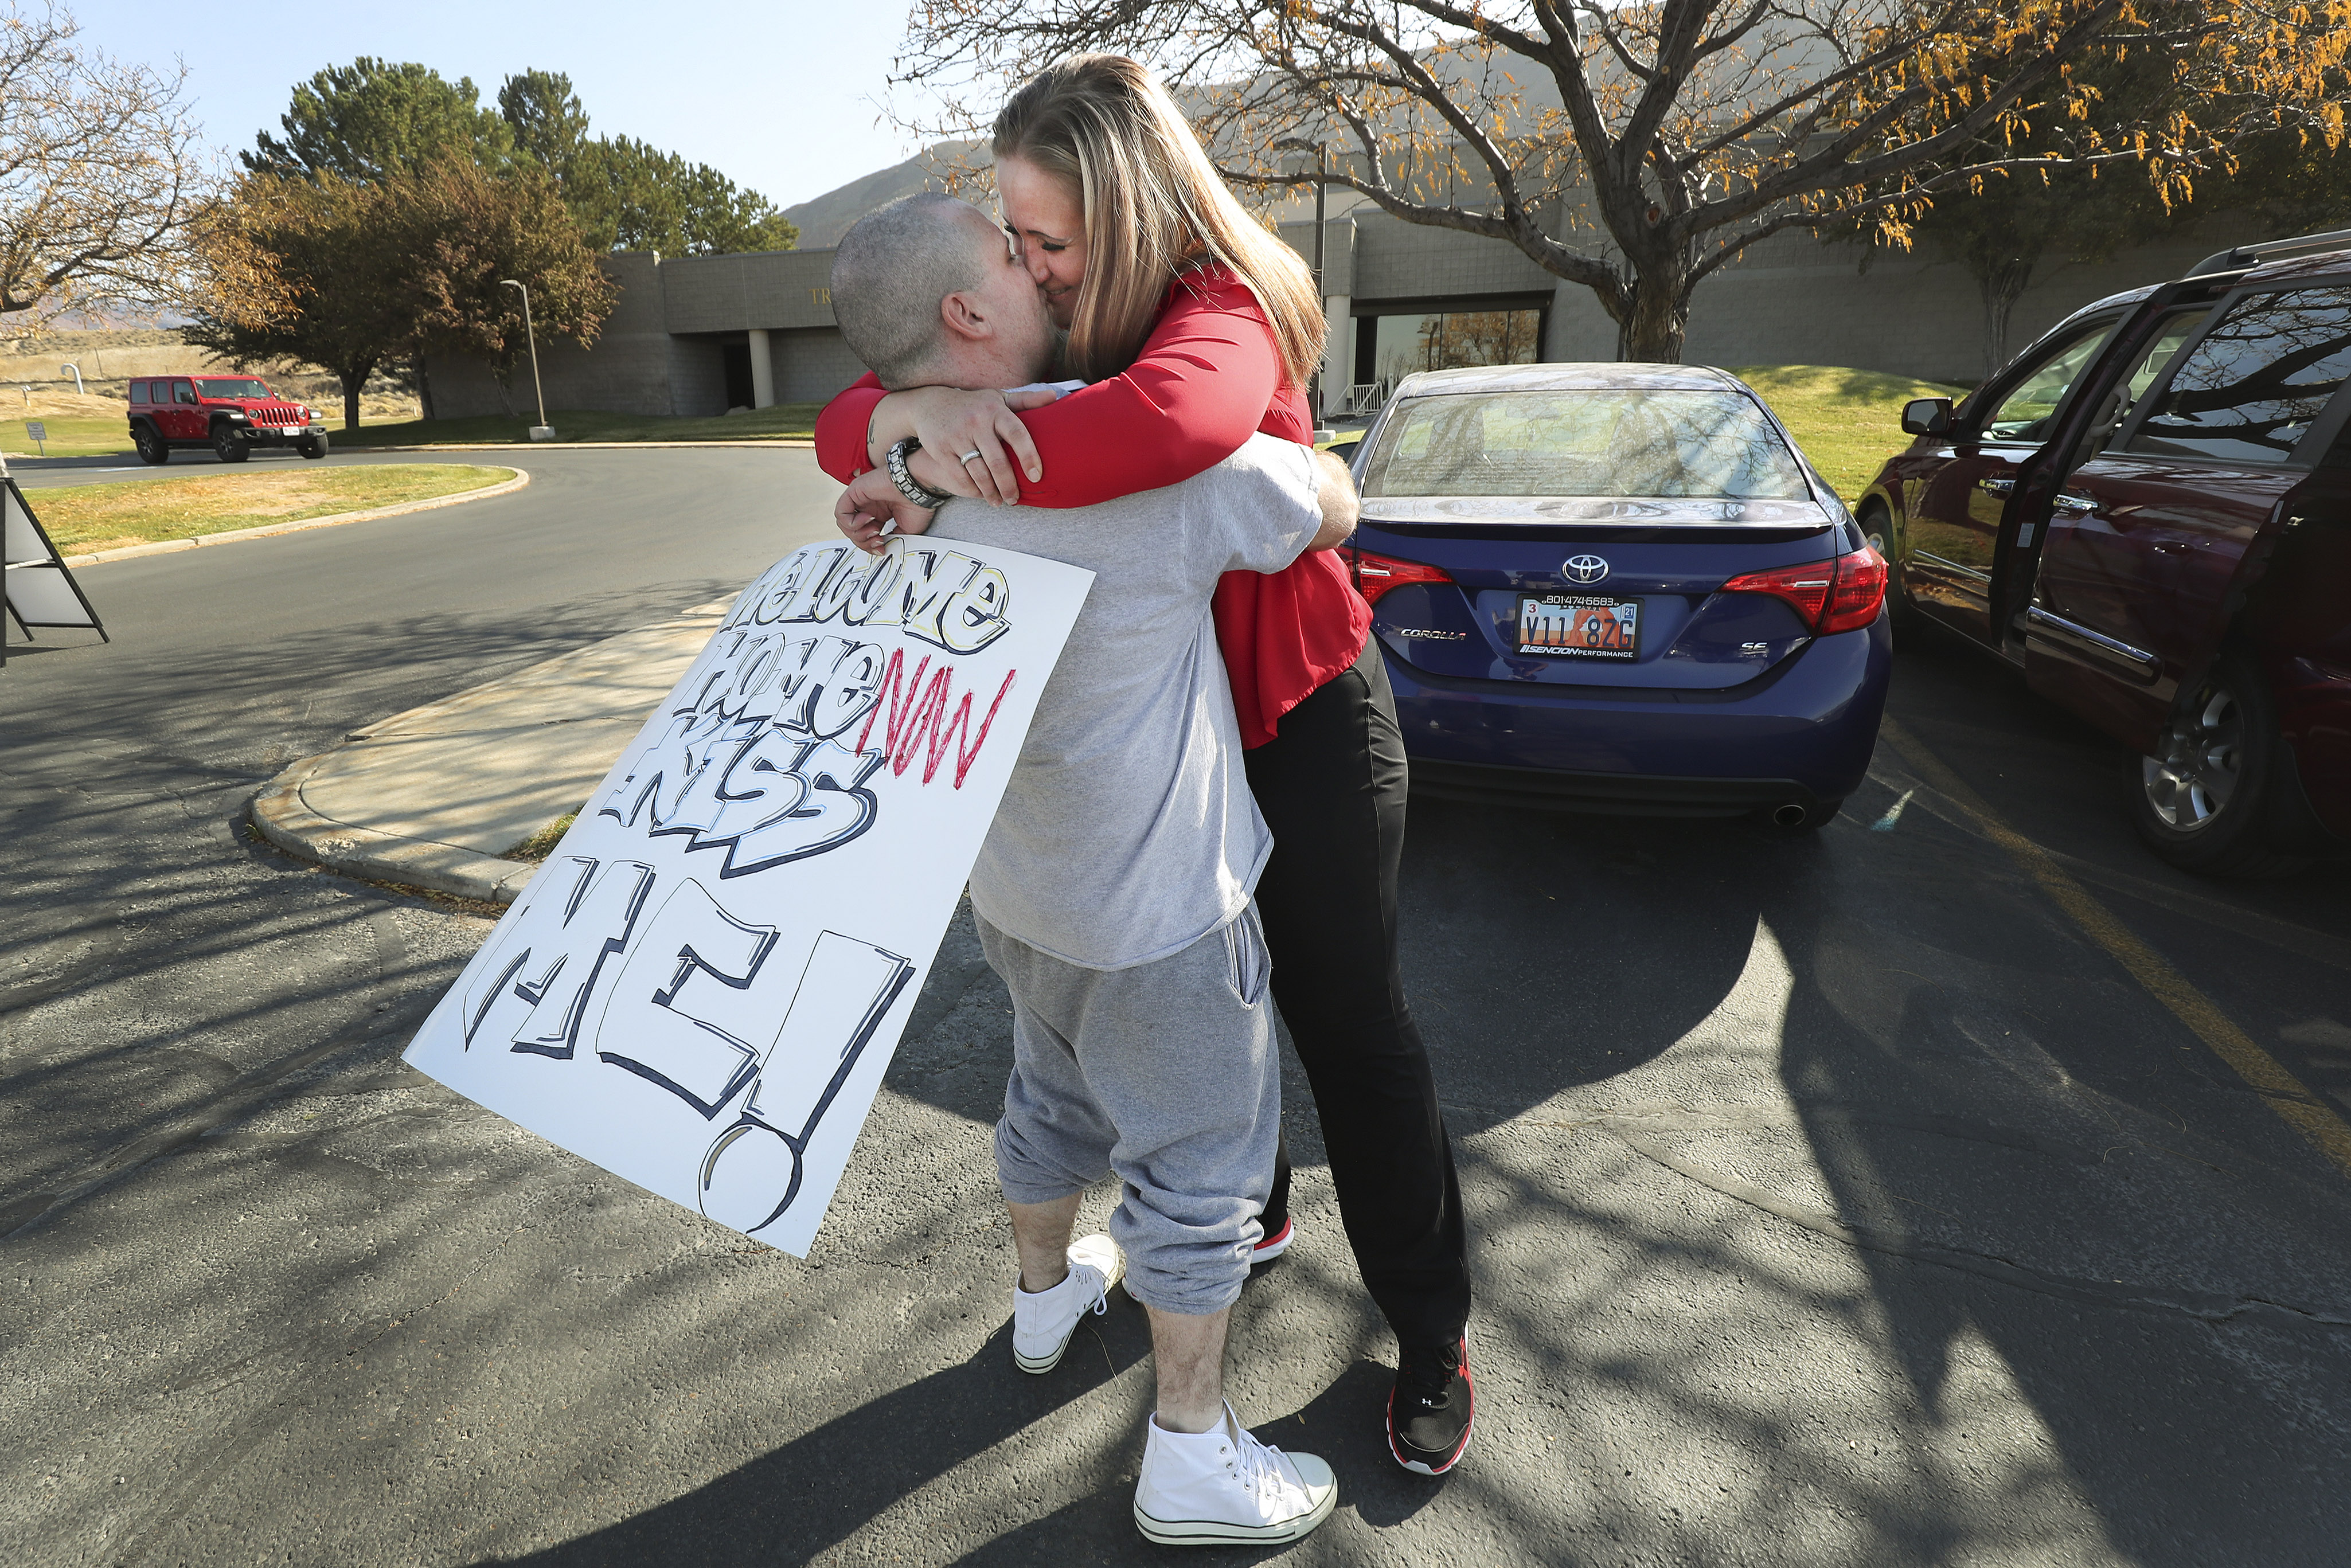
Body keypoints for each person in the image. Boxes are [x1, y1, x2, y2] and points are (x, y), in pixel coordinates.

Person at [813, 54, 1475, 1475]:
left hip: (1295, 713)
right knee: (1203, 1029)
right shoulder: (1052, 326)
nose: (1032, 270)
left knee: (1349, 1030)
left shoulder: (1216, 312)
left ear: (1128, 212)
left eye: (1047, 239)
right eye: (1019, 241)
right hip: (1165, 736)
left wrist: (933, 453)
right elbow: (851, 402)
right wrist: (896, 418)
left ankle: (1430, 1331)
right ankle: (1256, 1218)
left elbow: (1166, 433)